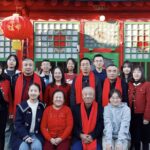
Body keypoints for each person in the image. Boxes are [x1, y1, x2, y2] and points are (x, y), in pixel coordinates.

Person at [12, 83, 46, 150]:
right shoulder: (21, 106)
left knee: (37, 147)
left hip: (37, 134)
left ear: (39, 93)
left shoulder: (42, 106)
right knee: (23, 148)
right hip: (22, 135)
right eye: (31, 90)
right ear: (28, 92)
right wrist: (26, 137)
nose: (33, 93)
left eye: (35, 91)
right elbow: (18, 124)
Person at [128, 65, 150, 150]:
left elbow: (149, 102)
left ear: (142, 73)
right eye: (134, 72)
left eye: (138, 72)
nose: (136, 74)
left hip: (143, 115)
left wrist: (147, 117)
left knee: (145, 138)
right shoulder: (129, 84)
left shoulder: (147, 84)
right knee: (135, 138)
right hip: (131, 115)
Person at [4, 54, 20, 150]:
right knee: (7, 129)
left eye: (14, 60)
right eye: (10, 60)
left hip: (17, 105)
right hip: (5, 107)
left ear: (16, 63)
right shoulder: (2, 75)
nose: (11, 61)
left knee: (17, 129)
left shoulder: (20, 74)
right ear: (7, 62)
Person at [0, 63, 12, 150]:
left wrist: (11, 111)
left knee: (2, 132)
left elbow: (10, 98)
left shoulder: (6, 81)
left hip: (3, 110)